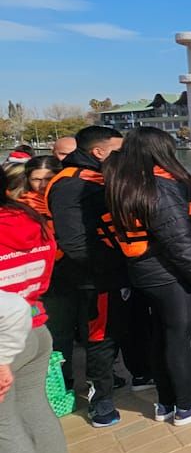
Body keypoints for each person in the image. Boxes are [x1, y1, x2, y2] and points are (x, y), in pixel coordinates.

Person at [103, 127, 191, 425]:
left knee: (161, 337)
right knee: (177, 341)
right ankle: (187, 406)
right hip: (170, 276)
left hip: (145, 273)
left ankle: (167, 402)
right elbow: (178, 240)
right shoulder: (160, 187)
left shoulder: (124, 184)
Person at [0, 168, 71, 453]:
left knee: (4, 429)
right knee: (35, 409)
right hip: (36, 324)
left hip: (4, 338)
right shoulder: (33, 221)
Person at [43, 126, 130, 428]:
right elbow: (74, 242)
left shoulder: (91, 177)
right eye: (118, 151)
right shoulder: (72, 184)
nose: (123, 156)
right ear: (99, 152)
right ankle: (100, 401)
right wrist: (110, 267)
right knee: (98, 336)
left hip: (100, 272)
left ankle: (106, 381)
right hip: (92, 277)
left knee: (105, 334)